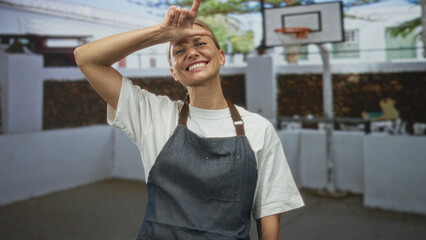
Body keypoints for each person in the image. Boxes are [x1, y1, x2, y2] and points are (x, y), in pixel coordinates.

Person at [74, 0, 304, 239]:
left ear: (221, 56)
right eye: (179, 50)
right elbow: (86, 58)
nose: (192, 52)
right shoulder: (153, 116)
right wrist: (162, 33)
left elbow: (269, 223)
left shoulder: (258, 129)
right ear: (174, 72)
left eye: (201, 43)